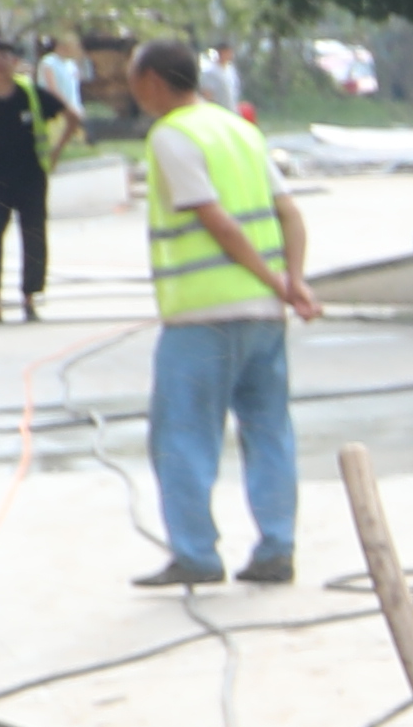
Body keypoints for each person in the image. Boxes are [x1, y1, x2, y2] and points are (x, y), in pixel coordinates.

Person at [132, 31, 323, 590]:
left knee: (183, 435)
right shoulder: (240, 130)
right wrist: (293, 282)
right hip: (263, 318)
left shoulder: (172, 135)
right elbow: (289, 214)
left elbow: (217, 223)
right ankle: (276, 548)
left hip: (203, 316)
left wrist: (275, 281)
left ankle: (195, 553)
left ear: (153, 82)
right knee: (268, 431)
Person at [0, 43, 66, 322]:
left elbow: (71, 116)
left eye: (4, 57)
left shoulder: (30, 93)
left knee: (33, 235)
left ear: (15, 61)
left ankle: (29, 298)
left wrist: (55, 153)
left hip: (30, 176)